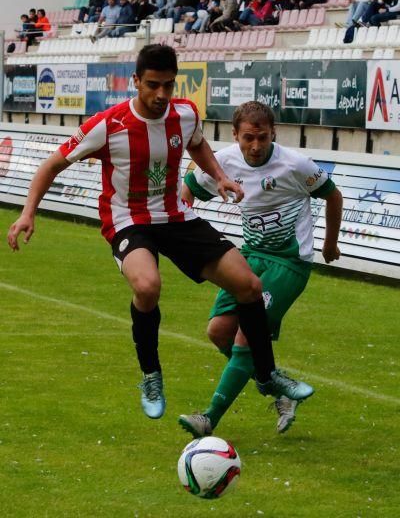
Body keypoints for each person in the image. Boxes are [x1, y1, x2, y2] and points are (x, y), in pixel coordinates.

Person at [7, 46, 308, 423]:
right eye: (153, 85)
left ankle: (267, 375)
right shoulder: (108, 125)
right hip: (127, 220)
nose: (162, 94)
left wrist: (220, 177)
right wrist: (28, 213)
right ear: (136, 81)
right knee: (147, 287)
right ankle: (151, 375)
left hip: (175, 217)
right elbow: (52, 164)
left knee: (247, 285)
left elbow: (197, 144)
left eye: (168, 85)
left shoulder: (185, 113)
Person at [178, 101, 343, 437]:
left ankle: (209, 418)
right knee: (217, 332)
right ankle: (277, 386)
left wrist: (329, 243)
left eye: (263, 138)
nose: (255, 146)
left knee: (245, 337)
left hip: (290, 262)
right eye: (248, 138)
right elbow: (188, 191)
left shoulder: (294, 165)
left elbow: (333, 195)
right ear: (235, 134)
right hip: (250, 256)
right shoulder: (222, 161)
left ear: (273, 134)